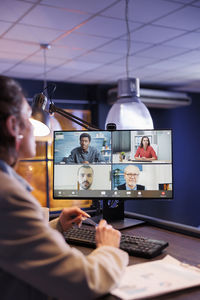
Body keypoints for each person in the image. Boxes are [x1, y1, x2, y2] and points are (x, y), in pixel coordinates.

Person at [0, 76, 128, 300]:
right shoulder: (7, 194)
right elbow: (84, 282)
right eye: (28, 116)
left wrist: (55, 226)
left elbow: (11, 241)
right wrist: (109, 248)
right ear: (13, 126)